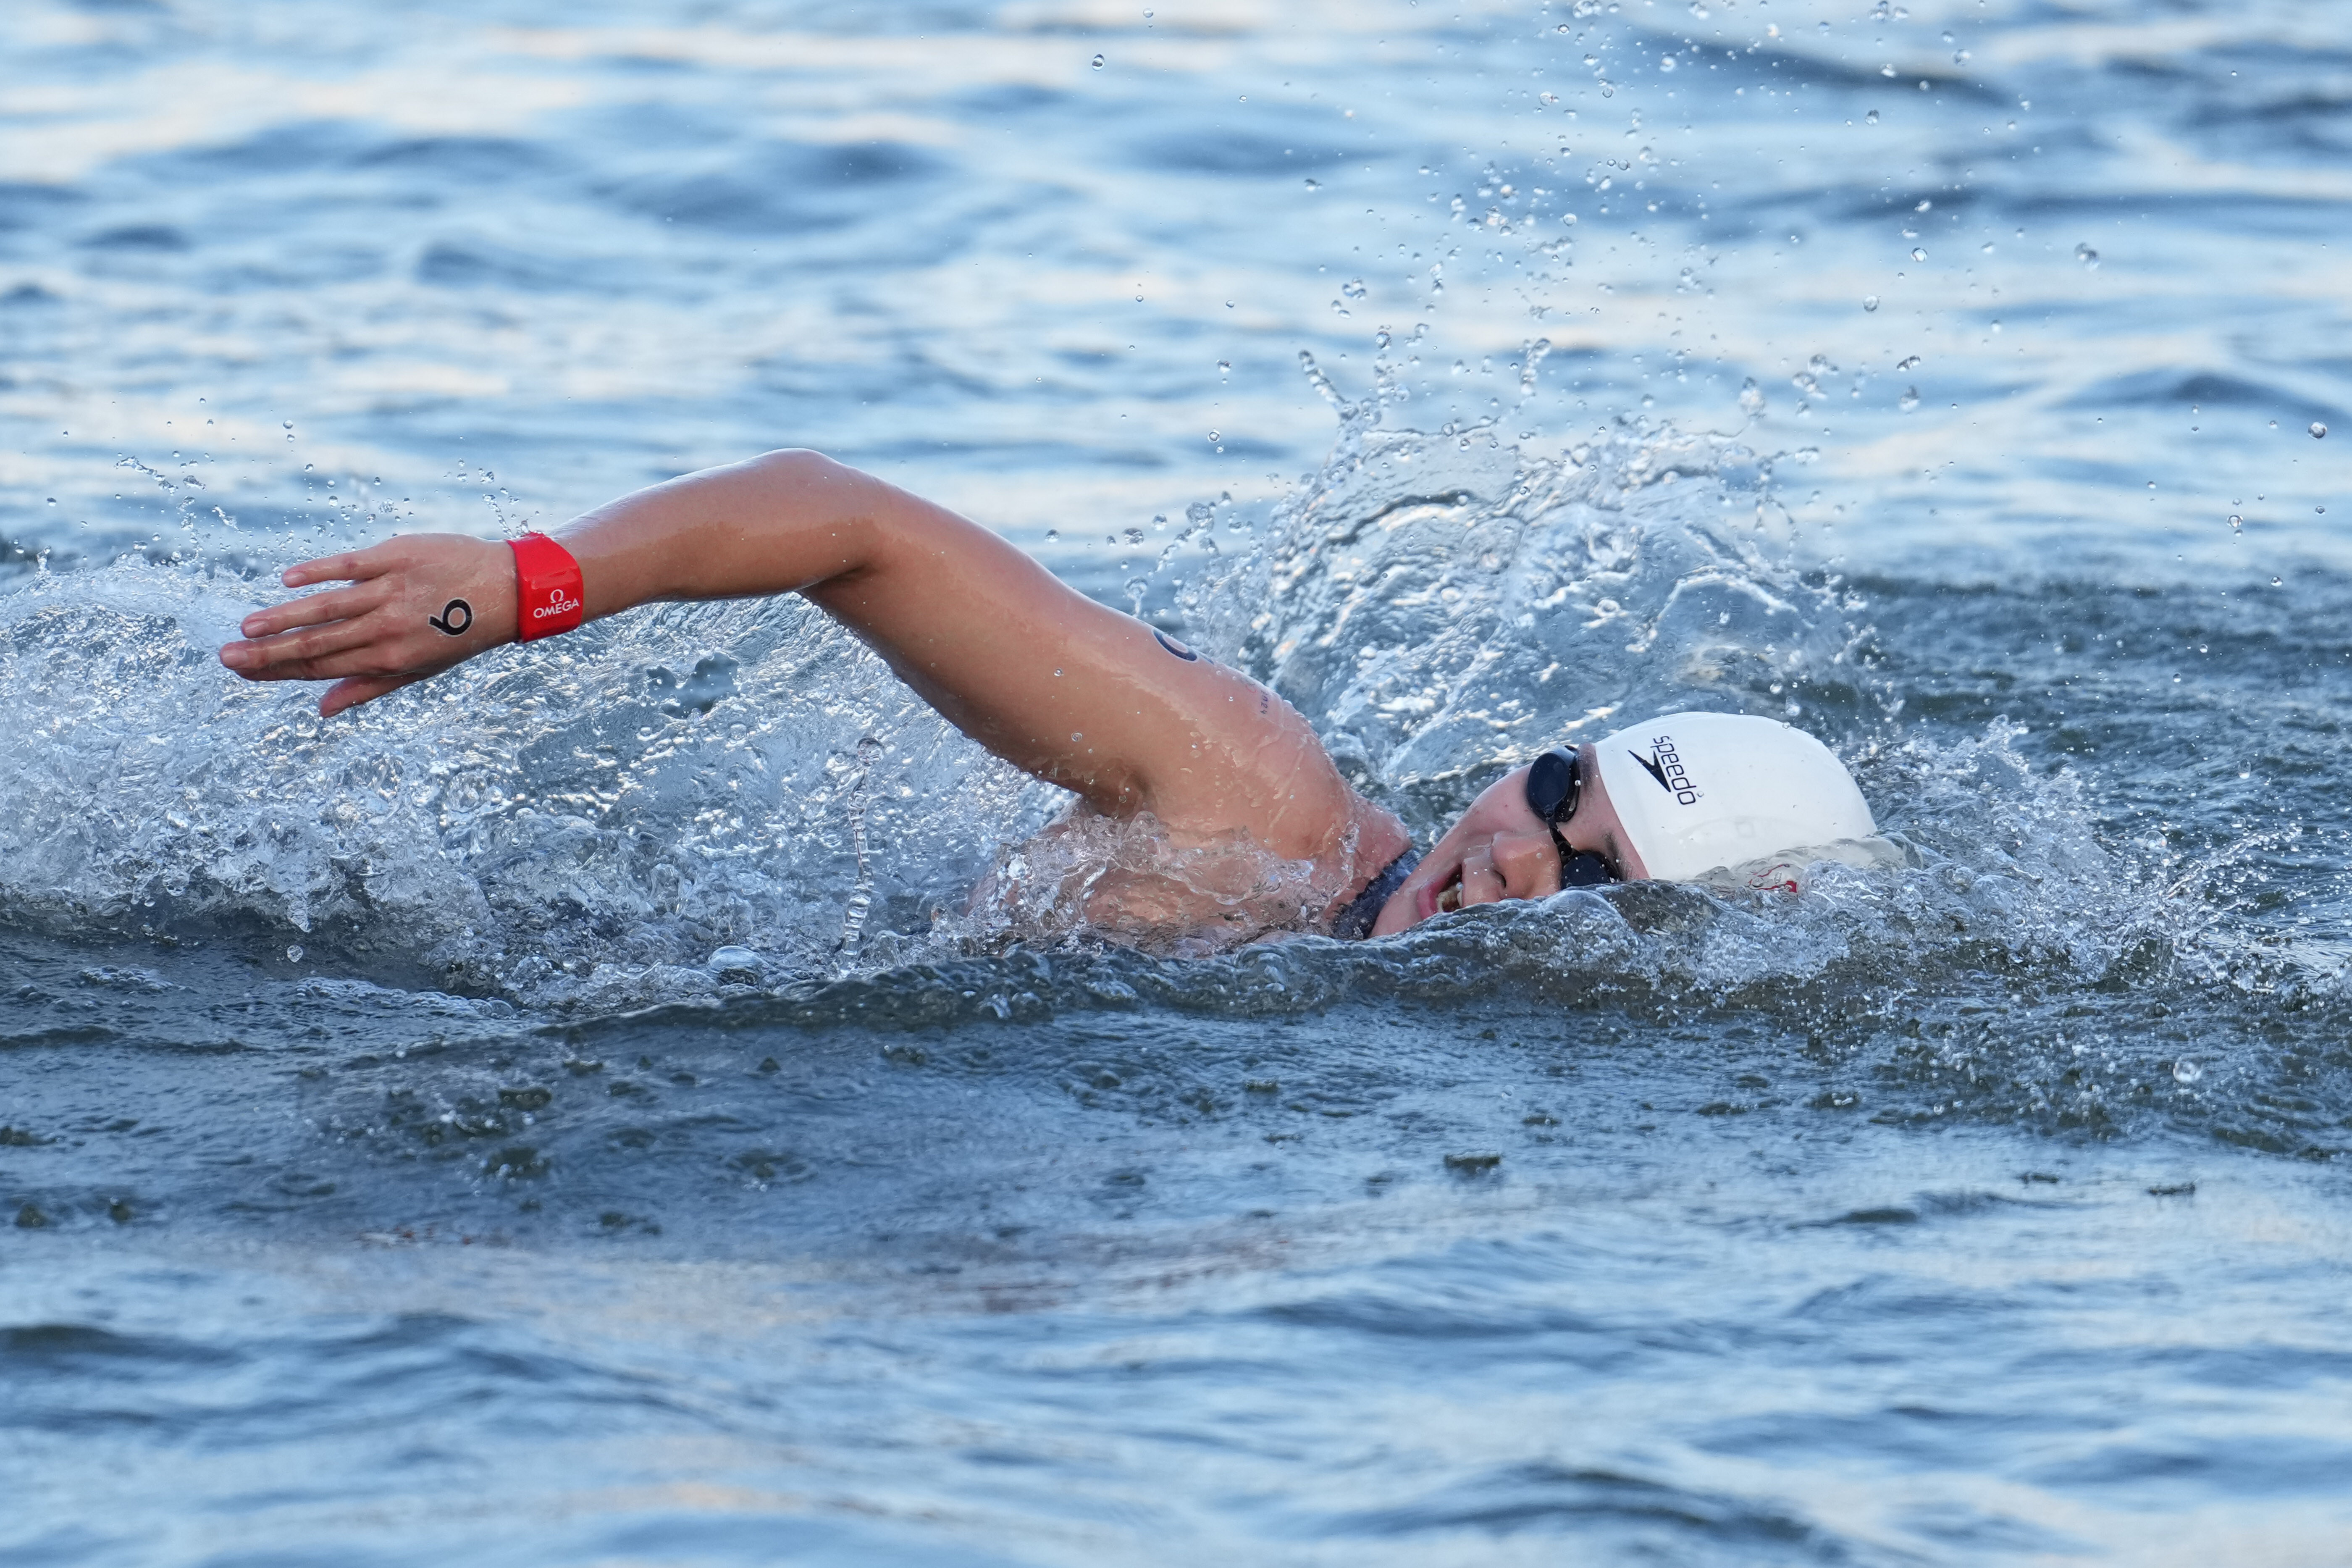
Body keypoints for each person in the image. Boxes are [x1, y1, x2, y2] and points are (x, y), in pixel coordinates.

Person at [216, 449, 1876, 944]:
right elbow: (845, 522)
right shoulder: (1255, 800)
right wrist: (523, 586)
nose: (1519, 852)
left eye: (1596, 876)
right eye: (1559, 789)